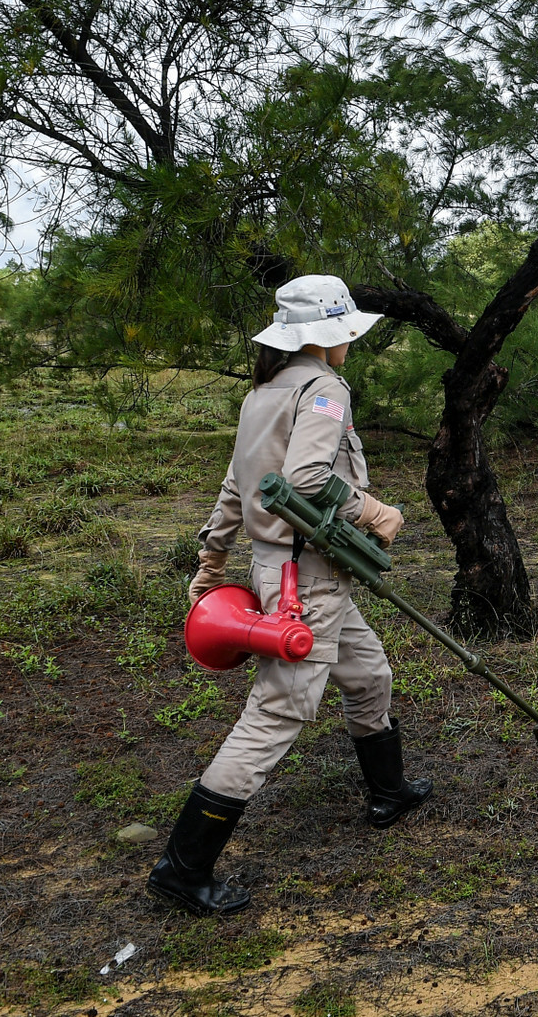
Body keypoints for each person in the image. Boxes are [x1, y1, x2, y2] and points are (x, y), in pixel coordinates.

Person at [149, 275, 427, 917]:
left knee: (368, 673)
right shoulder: (324, 388)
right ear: (327, 335)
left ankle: (389, 792)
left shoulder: (265, 391)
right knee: (277, 713)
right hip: (309, 579)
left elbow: (235, 484)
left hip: (284, 570)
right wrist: (377, 512)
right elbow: (305, 479)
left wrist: (213, 558)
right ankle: (183, 867)